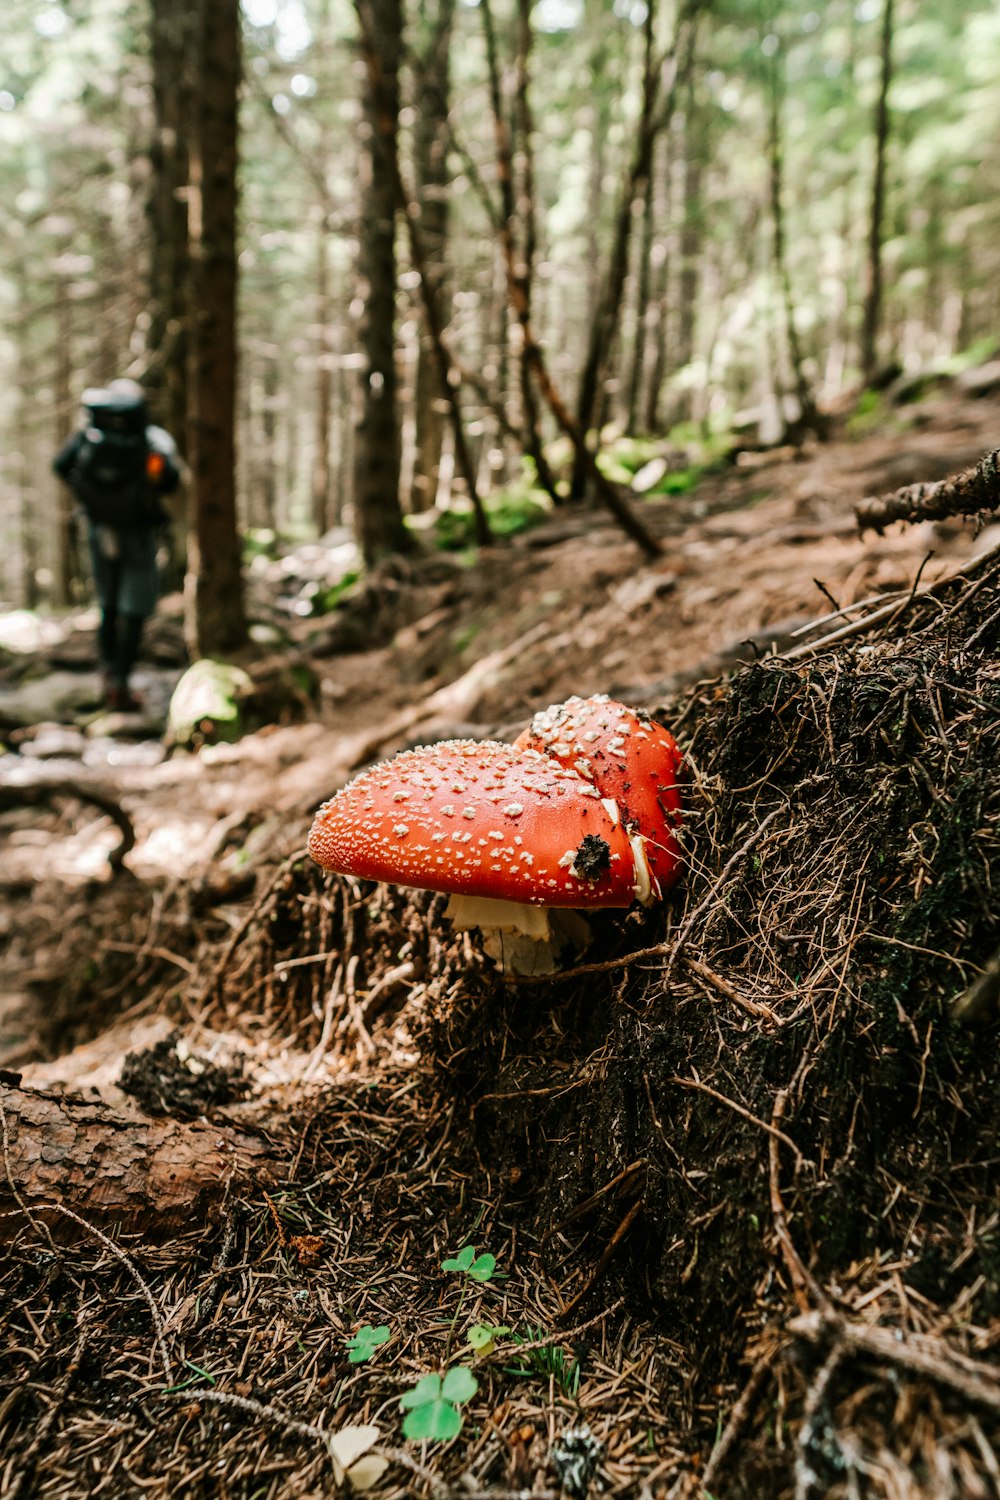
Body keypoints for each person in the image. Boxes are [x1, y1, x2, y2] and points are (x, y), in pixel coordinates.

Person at [54, 378, 181, 711]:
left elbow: (60, 465)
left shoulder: (89, 434)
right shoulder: (152, 439)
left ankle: (108, 675)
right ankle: (121, 682)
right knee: (134, 609)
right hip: (138, 532)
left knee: (108, 605)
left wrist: (92, 496)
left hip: (99, 531)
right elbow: (171, 480)